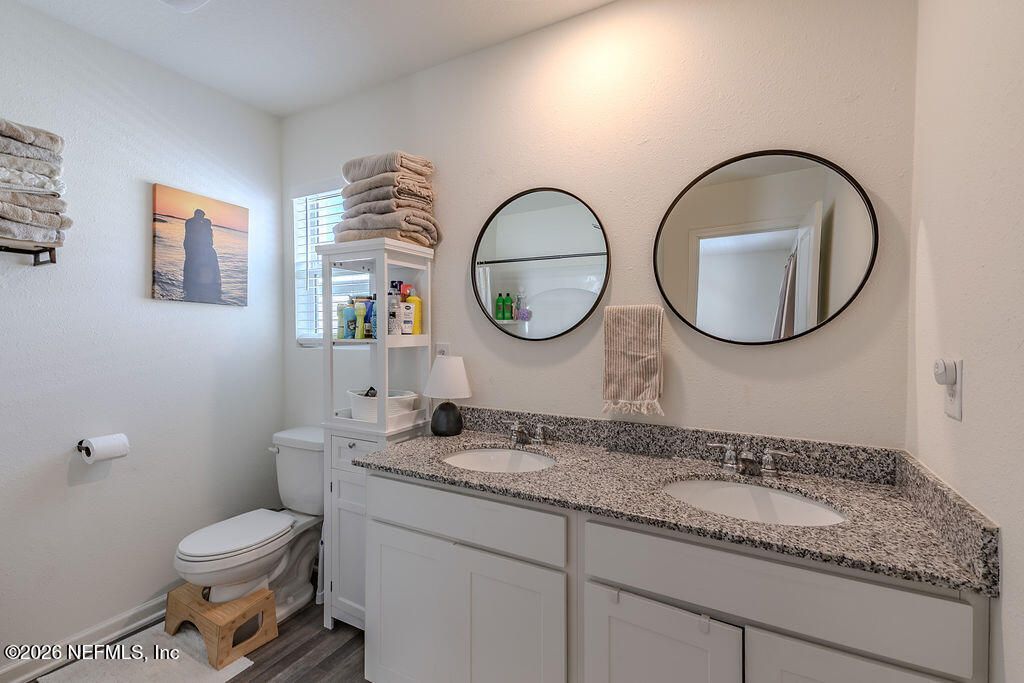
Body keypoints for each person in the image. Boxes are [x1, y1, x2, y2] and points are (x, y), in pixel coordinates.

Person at [182, 208, 222, 303]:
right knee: (192, 266)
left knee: (196, 267)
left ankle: (197, 287)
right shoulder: (191, 223)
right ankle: (193, 287)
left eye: (203, 217)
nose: (203, 218)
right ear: (197, 215)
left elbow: (208, 225)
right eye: (201, 216)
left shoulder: (202, 225)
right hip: (192, 248)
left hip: (197, 248)